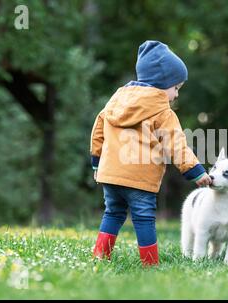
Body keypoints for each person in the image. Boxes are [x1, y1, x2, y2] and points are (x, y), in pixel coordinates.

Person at [90, 40, 212, 266]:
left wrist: (97, 162)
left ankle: (100, 256)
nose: (176, 95)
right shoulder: (162, 112)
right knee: (144, 218)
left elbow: (98, 129)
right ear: (162, 83)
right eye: (175, 88)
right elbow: (177, 145)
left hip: (110, 174)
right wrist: (195, 172)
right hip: (140, 178)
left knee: (113, 213)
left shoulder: (116, 100)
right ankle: (149, 264)